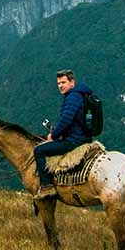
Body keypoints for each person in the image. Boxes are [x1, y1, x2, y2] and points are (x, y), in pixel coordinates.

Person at [34, 69, 93, 199]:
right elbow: (73, 120)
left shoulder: (72, 97)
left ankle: (47, 186)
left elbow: (66, 120)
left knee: (39, 150)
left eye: (63, 82)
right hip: (83, 136)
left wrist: (53, 135)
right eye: (58, 83)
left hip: (74, 140)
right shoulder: (80, 94)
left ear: (72, 82)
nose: (60, 86)